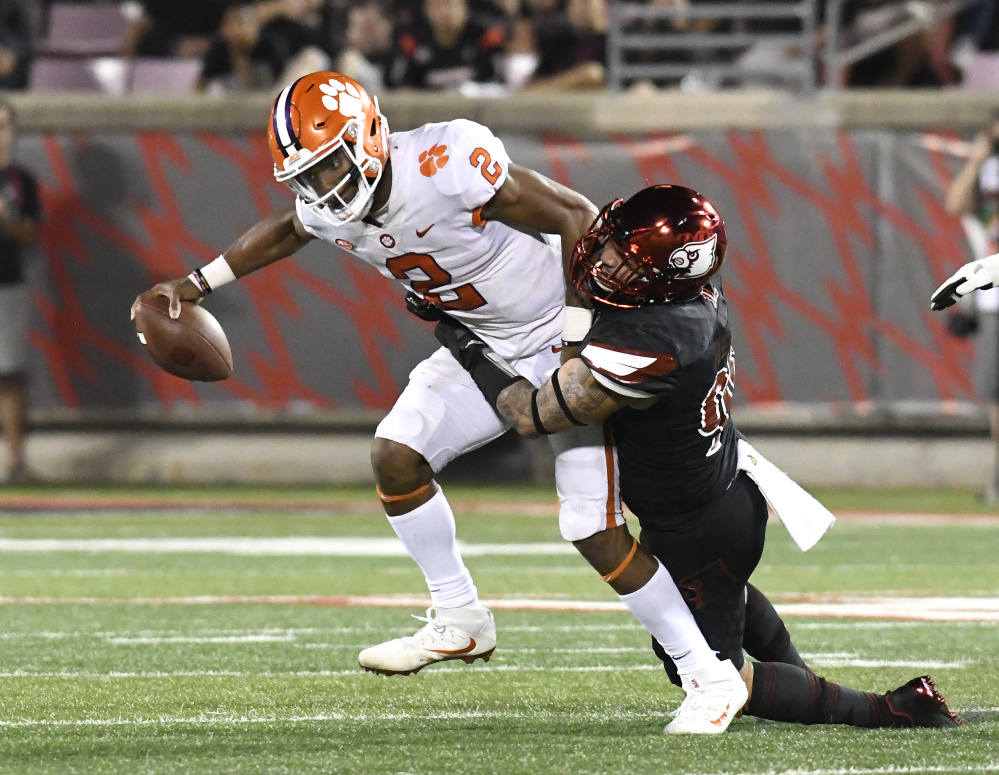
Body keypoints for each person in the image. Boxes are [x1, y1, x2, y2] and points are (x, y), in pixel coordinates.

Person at [130, 71, 748, 734]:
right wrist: (197, 283)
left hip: (555, 332)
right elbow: (287, 230)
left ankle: (708, 674)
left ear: (368, 136)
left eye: (332, 164)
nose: (323, 186)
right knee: (396, 455)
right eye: (308, 173)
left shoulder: (445, 160)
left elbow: (575, 216)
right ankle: (459, 617)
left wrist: (575, 346)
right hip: (483, 341)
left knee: (589, 527)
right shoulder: (325, 203)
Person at [434, 184, 963, 730]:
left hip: (700, 522)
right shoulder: (683, 301)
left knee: (714, 672)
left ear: (669, 277)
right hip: (722, 490)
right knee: (722, 594)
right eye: (611, 245)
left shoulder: (657, 336)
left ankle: (896, 707)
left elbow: (535, 414)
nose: (605, 264)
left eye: (627, 263)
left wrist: (468, 343)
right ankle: (801, 677)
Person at [0, 101, 40, 484]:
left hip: (6, 282)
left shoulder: (20, 180)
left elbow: (31, 234)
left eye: (5, 126)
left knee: (10, 373)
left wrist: (6, 221)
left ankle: (15, 462)